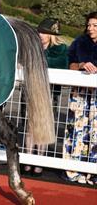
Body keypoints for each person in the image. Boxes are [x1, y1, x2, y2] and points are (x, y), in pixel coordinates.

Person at [23, 18, 68, 176]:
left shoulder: (61, 49)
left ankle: (39, 160)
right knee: (30, 127)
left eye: (45, 32)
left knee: (44, 126)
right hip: (31, 90)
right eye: (40, 31)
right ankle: (28, 160)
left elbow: (62, 64)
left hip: (49, 94)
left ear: (52, 35)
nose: (41, 35)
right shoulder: (31, 46)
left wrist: (39, 61)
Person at [62, 11, 97, 185]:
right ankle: (71, 169)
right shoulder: (78, 43)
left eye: (95, 25)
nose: (90, 29)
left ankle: (93, 172)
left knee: (95, 133)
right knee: (75, 129)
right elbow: (71, 65)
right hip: (80, 95)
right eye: (89, 25)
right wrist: (83, 65)